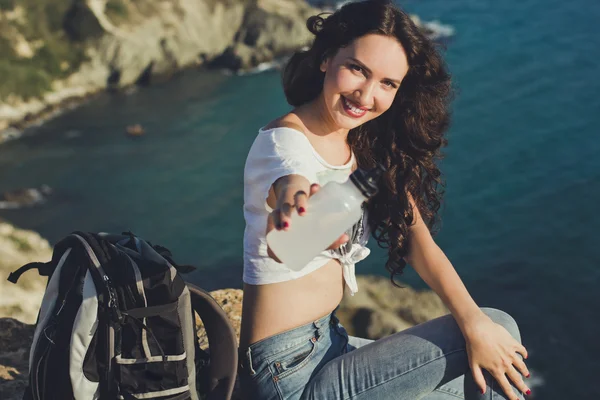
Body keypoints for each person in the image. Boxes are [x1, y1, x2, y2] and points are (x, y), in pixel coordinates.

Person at [239, 1, 531, 399]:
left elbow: (418, 243)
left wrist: (474, 323)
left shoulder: (362, 151)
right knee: (499, 329)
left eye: (387, 84)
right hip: (288, 375)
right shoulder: (285, 141)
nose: (366, 94)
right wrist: (296, 210)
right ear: (326, 58)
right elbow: (290, 183)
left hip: (332, 347)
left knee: (490, 353)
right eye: (357, 69)